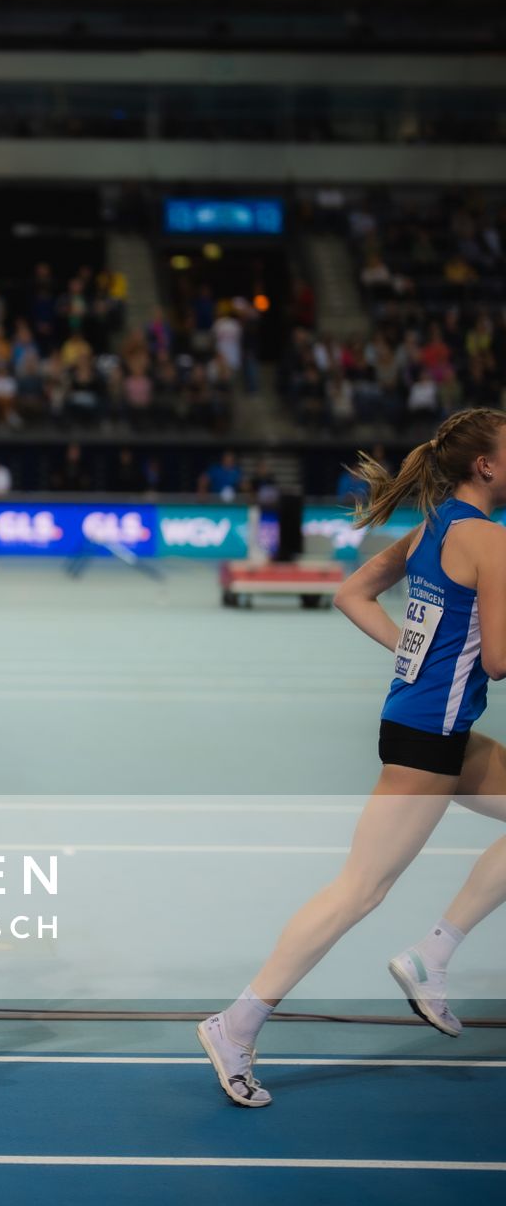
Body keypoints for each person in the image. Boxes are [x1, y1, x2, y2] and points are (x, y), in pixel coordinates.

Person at [198, 408, 506, 1107]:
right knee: (358, 890)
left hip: (430, 726)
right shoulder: (489, 541)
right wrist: (426, 657)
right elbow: (498, 658)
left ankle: (433, 953)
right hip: (430, 737)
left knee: (363, 887)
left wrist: (412, 653)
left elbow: (350, 593)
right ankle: (235, 1024)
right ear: (484, 465)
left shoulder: (435, 525)